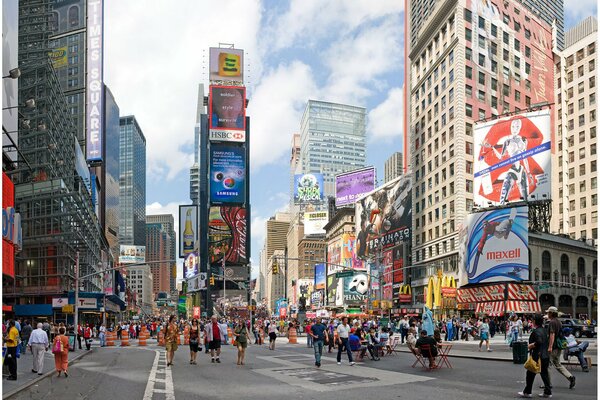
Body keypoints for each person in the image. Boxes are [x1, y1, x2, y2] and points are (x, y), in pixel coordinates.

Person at [518, 315, 551, 398]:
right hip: (545, 355)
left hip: (537, 355)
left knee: (530, 374)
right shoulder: (544, 330)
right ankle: (547, 392)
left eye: (533, 321)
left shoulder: (536, 331)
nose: (532, 322)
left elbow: (539, 342)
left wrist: (532, 345)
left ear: (535, 321)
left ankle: (527, 392)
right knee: (544, 374)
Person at [546, 306, 576, 389]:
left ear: (551, 313)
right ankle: (570, 377)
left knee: (548, 365)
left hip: (554, 346)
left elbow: (552, 335)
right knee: (558, 364)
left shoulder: (552, 322)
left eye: (548, 312)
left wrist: (550, 347)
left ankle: (548, 383)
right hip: (558, 346)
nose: (547, 314)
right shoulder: (559, 322)